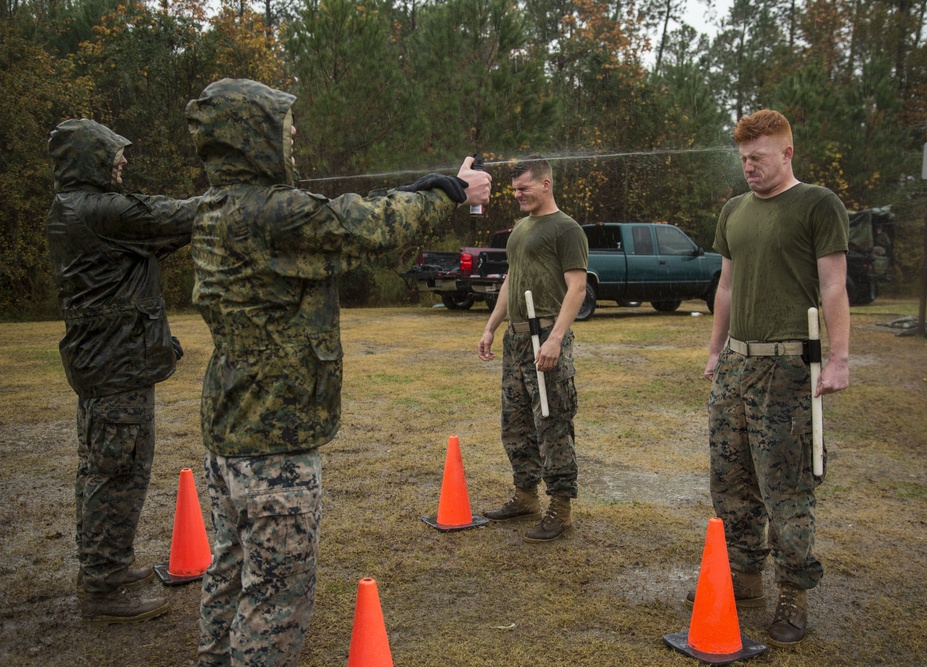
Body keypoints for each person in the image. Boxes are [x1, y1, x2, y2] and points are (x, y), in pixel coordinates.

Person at [185, 78, 491, 666]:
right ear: (252, 136)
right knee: (276, 596)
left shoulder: (223, 206)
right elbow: (362, 228)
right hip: (273, 443)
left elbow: (338, 217)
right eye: (283, 125)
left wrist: (419, 188)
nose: (293, 133)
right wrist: (448, 196)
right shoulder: (271, 212)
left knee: (230, 570)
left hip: (231, 431)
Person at [694, 110, 850, 646]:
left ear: (787, 153)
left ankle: (793, 591)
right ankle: (743, 577)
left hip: (787, 366)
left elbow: (833, 287)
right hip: (736, 363)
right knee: (729, 478)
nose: (749, 167)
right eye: (743, 158)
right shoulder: (734, 211)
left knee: (785, 485)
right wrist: (716, 350)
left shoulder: (818, 204)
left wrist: (840, 358)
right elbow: (726, 288)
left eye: (758, 157)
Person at [46, 118, 201, 623]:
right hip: (116, 368)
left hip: (107, 363)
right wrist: (240, 197)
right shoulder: (98, 210)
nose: (124, 161)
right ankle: (103, 586)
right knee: (116, 473)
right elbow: (176, 217)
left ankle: (106, 568)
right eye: (115, 154)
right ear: (91, 160)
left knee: (102, 469)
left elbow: (158, 235)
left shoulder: (76, 209)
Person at [477, 155, 588, 542]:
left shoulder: (566, 229)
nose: (518, 194)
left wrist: (556, 337)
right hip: (517, 339)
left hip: (546, 337)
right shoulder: (520, 230)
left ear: (545, 184)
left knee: (552, 422)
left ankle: (560, 507)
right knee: (516, 423)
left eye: (523, 187)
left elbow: (577, 287)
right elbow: (511, 281)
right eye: (514, 189)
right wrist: (491, 327)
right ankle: (525, 496)